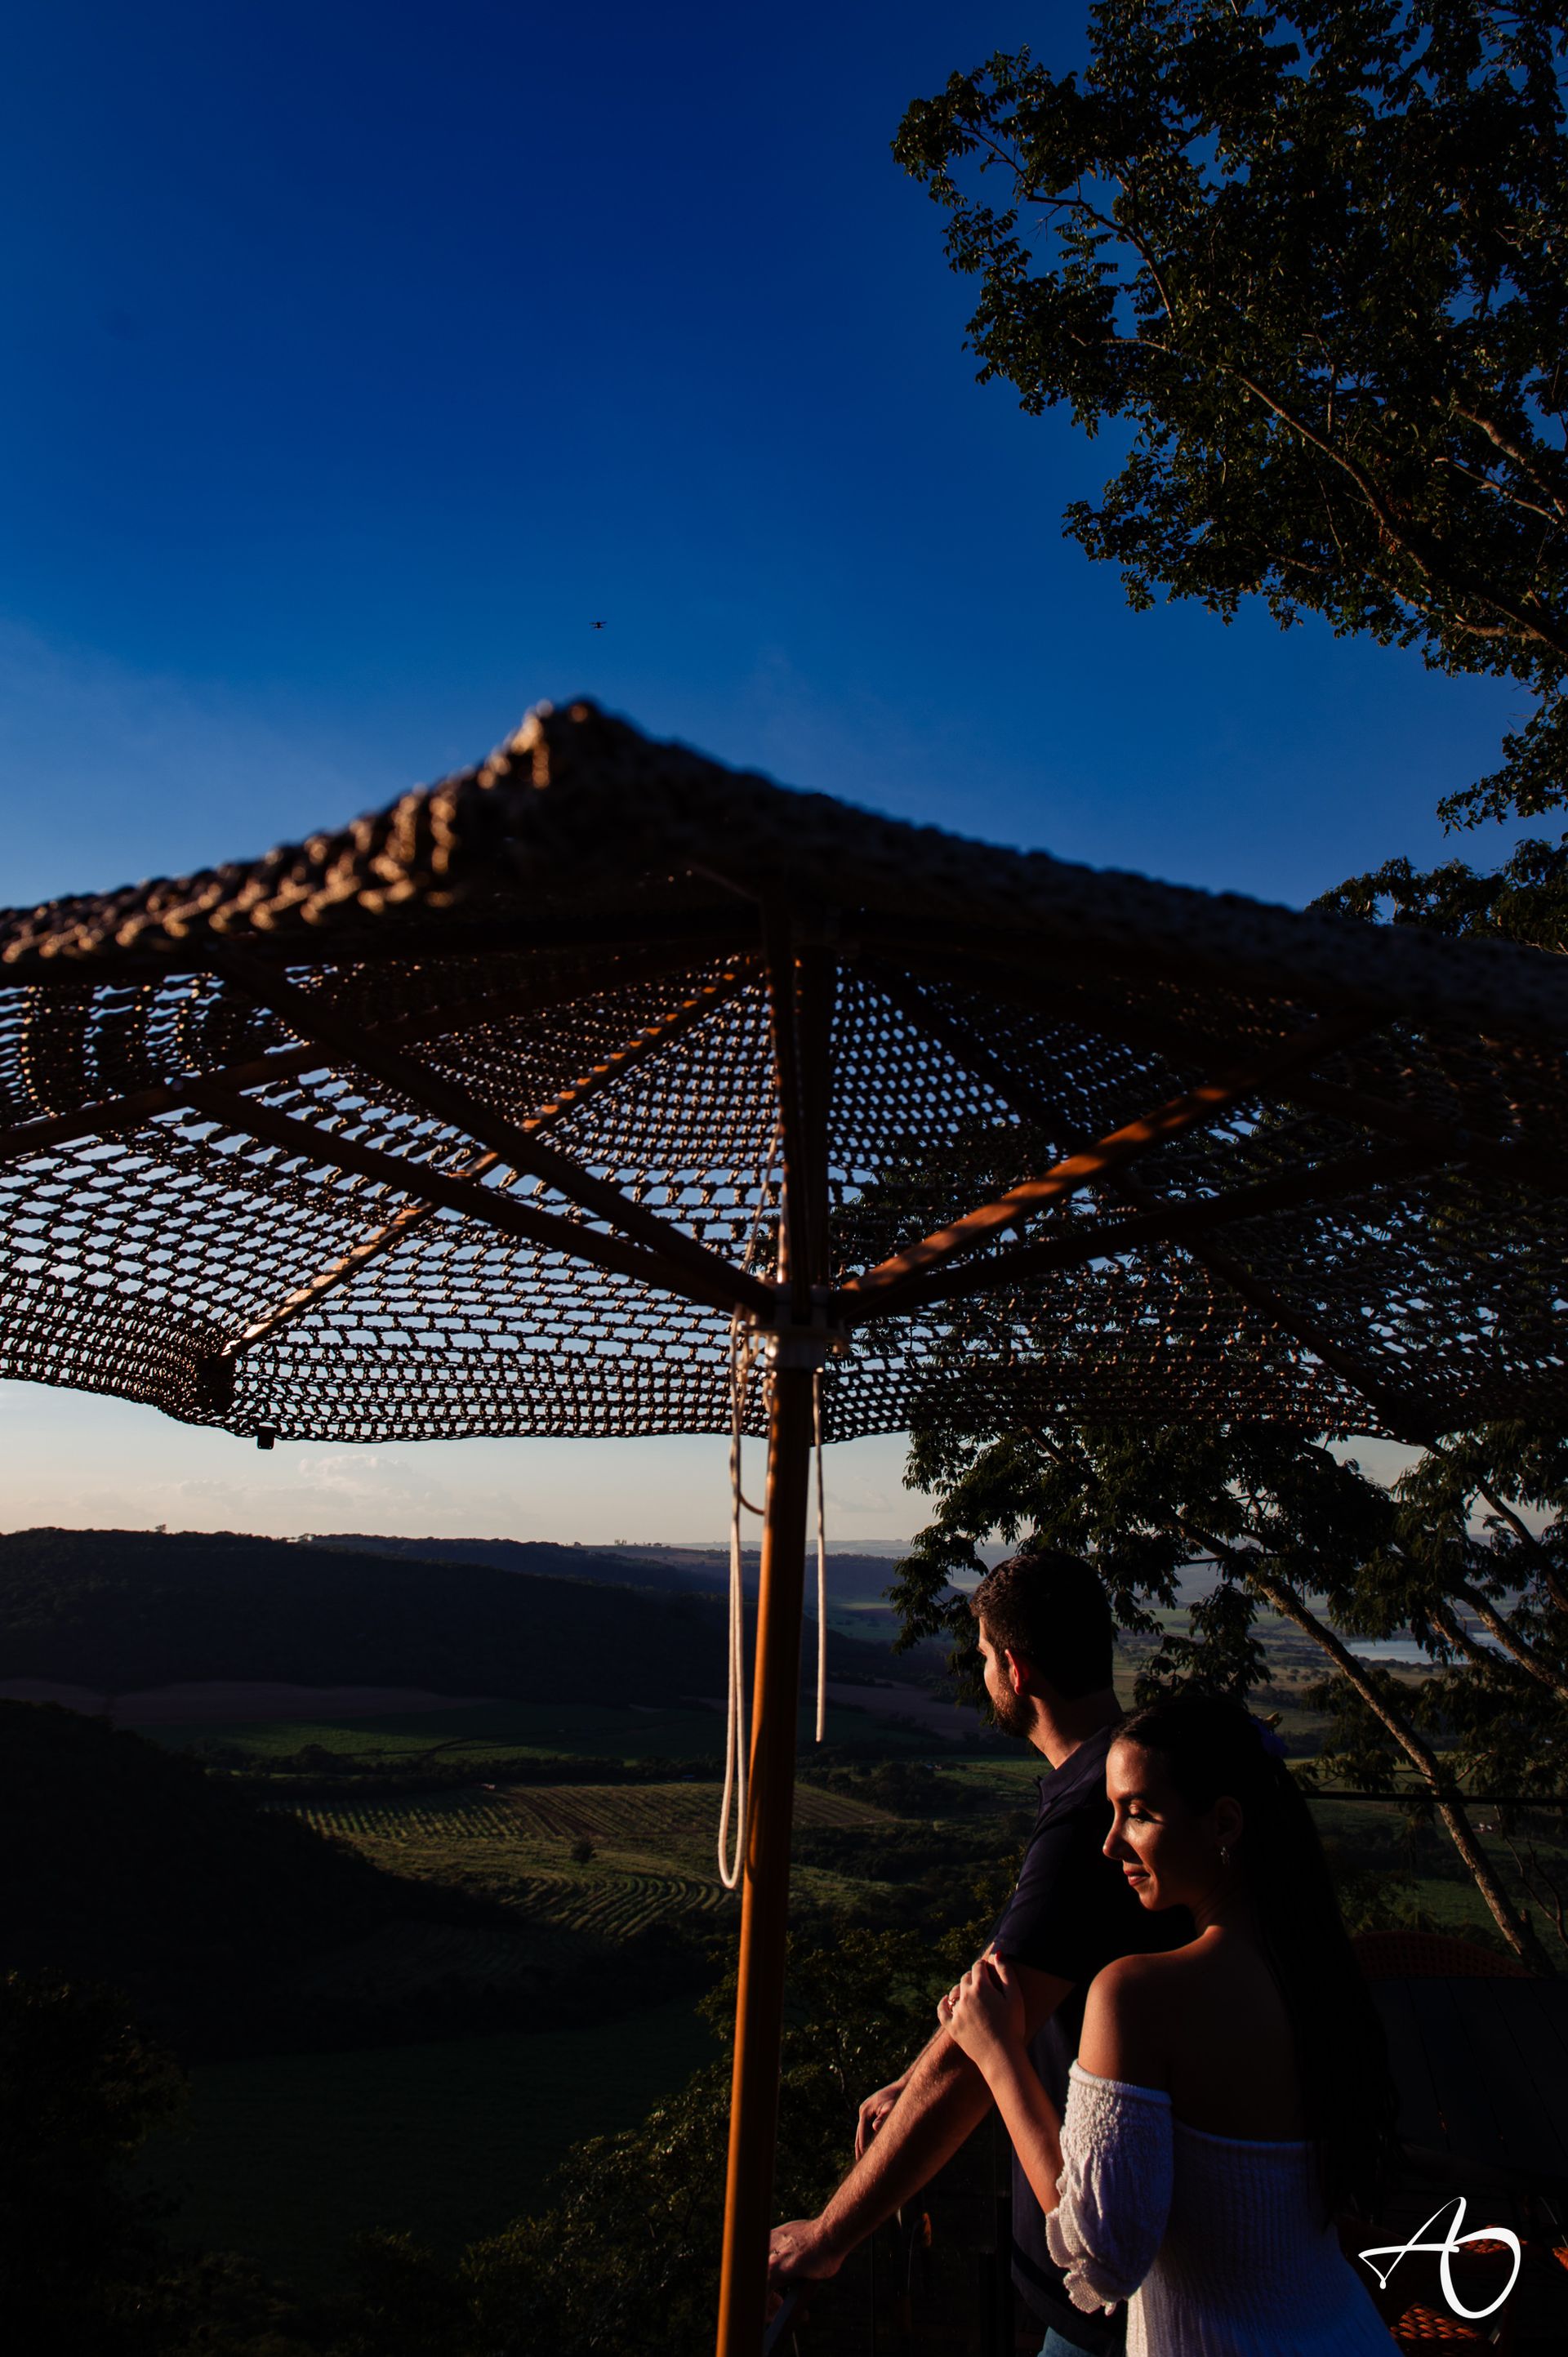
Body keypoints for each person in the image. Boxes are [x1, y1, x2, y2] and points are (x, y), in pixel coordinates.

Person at [769, 1549, 1187, 2355]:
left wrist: (826, 2237)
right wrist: (916, 2076)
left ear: (1018, 1670)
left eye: (986, 1656)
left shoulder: (1088, 1822)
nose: (983, 1671)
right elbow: (1012, 1990)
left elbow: (980, 2048)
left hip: (1117, 2306)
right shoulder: (1128, 1782)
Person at [940, 1690, 1400, 2355]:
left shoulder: (1138, 1995)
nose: (1108, 1843)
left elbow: (1104, 2254)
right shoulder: (1319, 1973)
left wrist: (998, 2053)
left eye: (1139, 1814)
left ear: (1224, 1825)